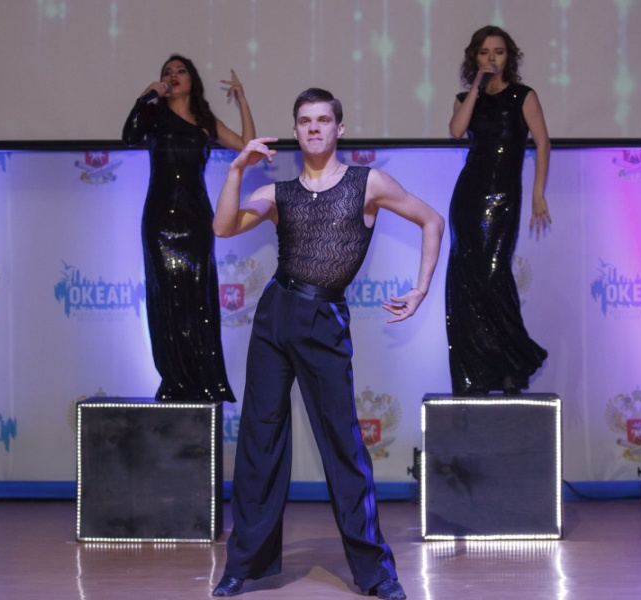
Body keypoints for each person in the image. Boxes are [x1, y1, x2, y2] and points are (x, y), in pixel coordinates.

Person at [210, 88, 444, 599]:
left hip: (323, 319)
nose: (313, 128)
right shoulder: (278, 193)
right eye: (304, 121)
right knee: (259, 441)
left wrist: (421, 288)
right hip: (275, 314)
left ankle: (377, 574)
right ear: (296, 131)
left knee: (342, 444)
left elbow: (433, 220)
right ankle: (242, 566)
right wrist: (236, 170)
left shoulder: (368, 183)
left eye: (322, 120)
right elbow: (223, 227)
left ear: (339, 128)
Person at [122, 54, 255, 403]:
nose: (173, 75)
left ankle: (201, 381)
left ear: (192, 79)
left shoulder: (206, 121)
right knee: (166, 299)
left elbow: (249, 149)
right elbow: (129, 136)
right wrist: (145, 96)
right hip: (159, 220)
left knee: (197, 299)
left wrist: (242, 100)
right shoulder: (153, 116)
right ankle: (174, 379)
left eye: (180, 71)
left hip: (196, 219)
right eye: (167, 72)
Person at [446, 26, 552, 396]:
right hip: (468, 198)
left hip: (505, 197)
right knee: (466, 281)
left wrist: (538, 194)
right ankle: (478, 372)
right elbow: (456, 131)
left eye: (499, 52)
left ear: (510, 56)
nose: (492, 58)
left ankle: (513, 361)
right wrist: (477, 85)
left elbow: (542, 143)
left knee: (494, 275)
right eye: (484, 52)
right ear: (474, 57)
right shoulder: (466, 98)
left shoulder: (523, 96)